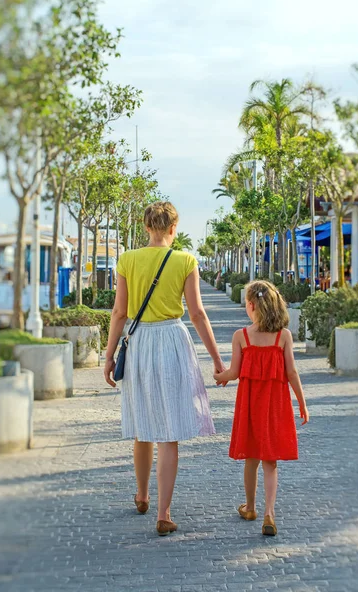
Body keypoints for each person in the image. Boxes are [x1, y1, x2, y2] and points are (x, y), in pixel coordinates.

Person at [104, 202, 225, 536]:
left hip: (138, 342)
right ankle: (163, 512)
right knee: (168, 432)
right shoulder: (185, 260)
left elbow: (118, 312)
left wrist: (109, 355)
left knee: (143, 424)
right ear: (174, 228)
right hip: (172, 339)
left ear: (146, 227)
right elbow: (198, 314)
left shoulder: (127, 259)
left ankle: (141, 496)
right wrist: (217, 361)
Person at [214, 280, 309, 536]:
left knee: (251, 459)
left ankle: (251, 507)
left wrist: (219, 377)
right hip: (276, 406)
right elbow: (292, 372)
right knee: (271, 461)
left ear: (252, 305)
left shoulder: (241, 337)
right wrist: (301, 402)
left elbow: (233, 372)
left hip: (249, 407)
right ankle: (269, 512)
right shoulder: (283, 337)